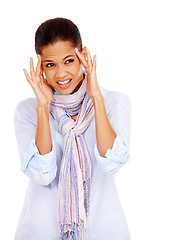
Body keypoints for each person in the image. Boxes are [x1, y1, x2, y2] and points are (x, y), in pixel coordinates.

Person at [14, 17, 131, 240]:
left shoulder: (114, 102)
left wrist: (95, 97)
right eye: (50, 65)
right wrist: (43, 107)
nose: (60, 74)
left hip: (103, 231)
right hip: (40, 233)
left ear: (83, 55)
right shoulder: (28, 110)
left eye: (69, 61)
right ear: (40, 66)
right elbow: (42, 174)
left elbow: (112, 163)